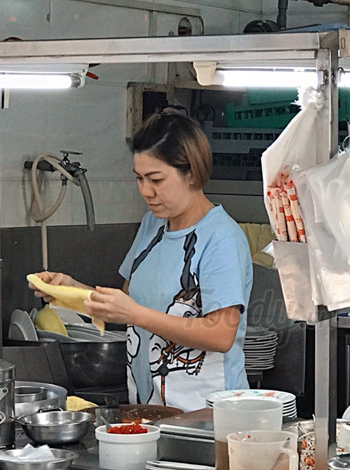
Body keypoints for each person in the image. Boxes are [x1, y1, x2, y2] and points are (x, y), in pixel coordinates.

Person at [31, 108, 253, 411]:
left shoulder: (221, 238)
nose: (146, 191)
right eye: (139, 178)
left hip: (207, 415)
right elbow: (126, 304)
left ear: (191, 172)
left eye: (156, 179)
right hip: (150, 408)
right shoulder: (153, 225)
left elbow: (221, 334)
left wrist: (136, 315)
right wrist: (71, 291)